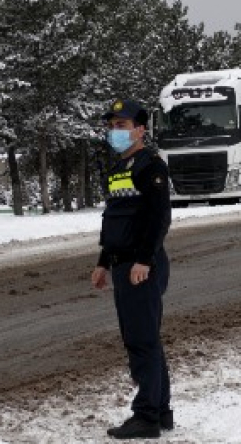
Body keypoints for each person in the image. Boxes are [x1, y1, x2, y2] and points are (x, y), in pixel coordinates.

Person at [90, 98, 174, 439]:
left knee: (141, 342)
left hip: (142, 265)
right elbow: (114, 218)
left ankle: (147, 416)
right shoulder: (118, 168)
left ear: (140, 129)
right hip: (124, 263)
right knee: (146, 339)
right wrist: (102, 262)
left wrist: (143, 260)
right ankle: (161, 410)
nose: (115, 131)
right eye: (112, 126)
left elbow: (158, 218)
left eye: (122, 125)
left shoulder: (149, 165)